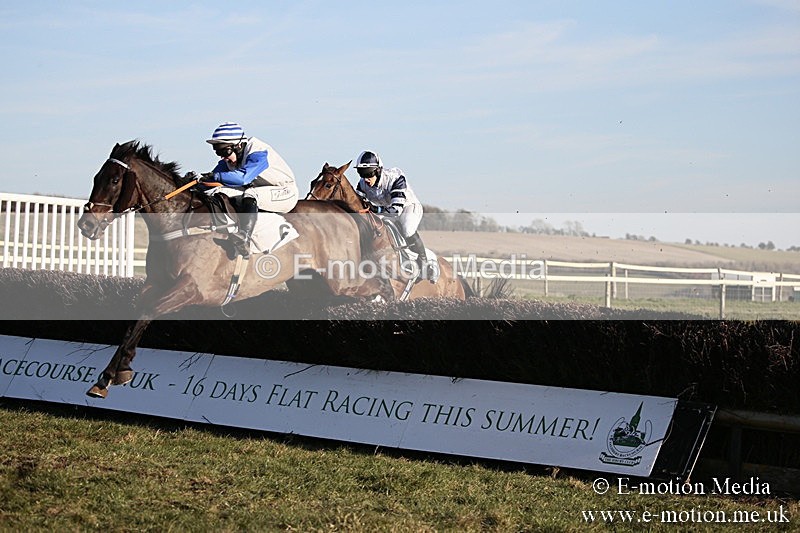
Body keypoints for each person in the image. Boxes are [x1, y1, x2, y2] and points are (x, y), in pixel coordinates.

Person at [201, 122, 298, 258]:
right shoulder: (229, 160)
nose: (222, 157)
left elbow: (244, 178)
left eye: (224, 151)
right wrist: (196, 183)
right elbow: (212, 183)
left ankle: (244, 237)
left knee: (251, 193)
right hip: (259, 191)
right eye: (218, 152)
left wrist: (216, 176)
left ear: (239, 145)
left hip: (285, 192)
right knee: (218, 192)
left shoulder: (257, 151)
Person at [354, 150, 438, 281]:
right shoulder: (362, 184)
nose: (365, 178)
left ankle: (425, 262)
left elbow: (395, 210)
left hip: (407, 208)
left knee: (407, 229)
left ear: (377, 171)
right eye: (361, 173)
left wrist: (373, 208)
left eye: (368, 173)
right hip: (386, 210)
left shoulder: (395, 178)